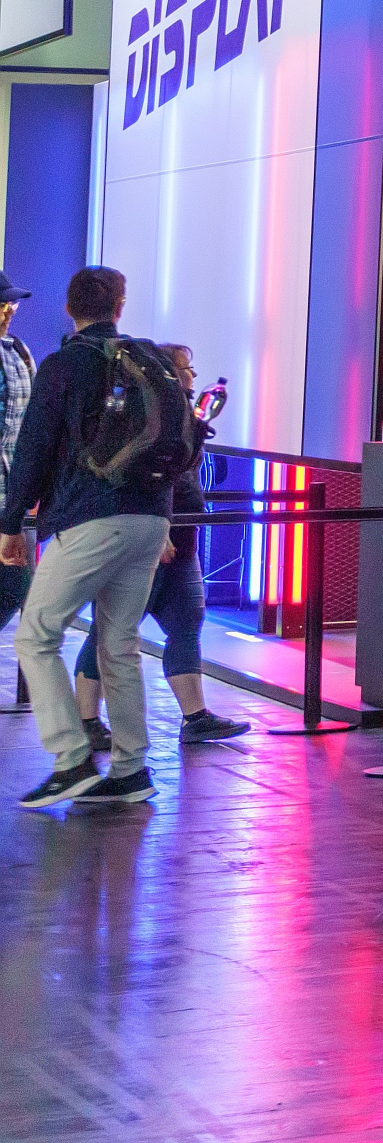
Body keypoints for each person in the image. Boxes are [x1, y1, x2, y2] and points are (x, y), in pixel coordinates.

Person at [8, 268, 183, 806]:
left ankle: (71, 759)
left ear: (69, 308)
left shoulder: (65, 364)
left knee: (35, 635)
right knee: (120, 644)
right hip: (151, 518)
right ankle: (130, 770)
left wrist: (10, 522)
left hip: (90, 516)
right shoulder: (149, 360)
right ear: (120, 306)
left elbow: (33, 449)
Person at [62, 342, 242, 748]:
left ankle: (195, 717)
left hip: (181, 547)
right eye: (185, 368)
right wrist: (158, 530)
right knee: (110, 631)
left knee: (186, 625)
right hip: (146, 542)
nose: (192, 376)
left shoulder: (183, 416)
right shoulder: (148, 416)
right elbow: (144, 478)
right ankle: (86, 721)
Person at [0, 277, 30, 702]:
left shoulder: (18, 351)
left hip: (12, 496)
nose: (8, 311)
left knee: (15, 584)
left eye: (11, 304)